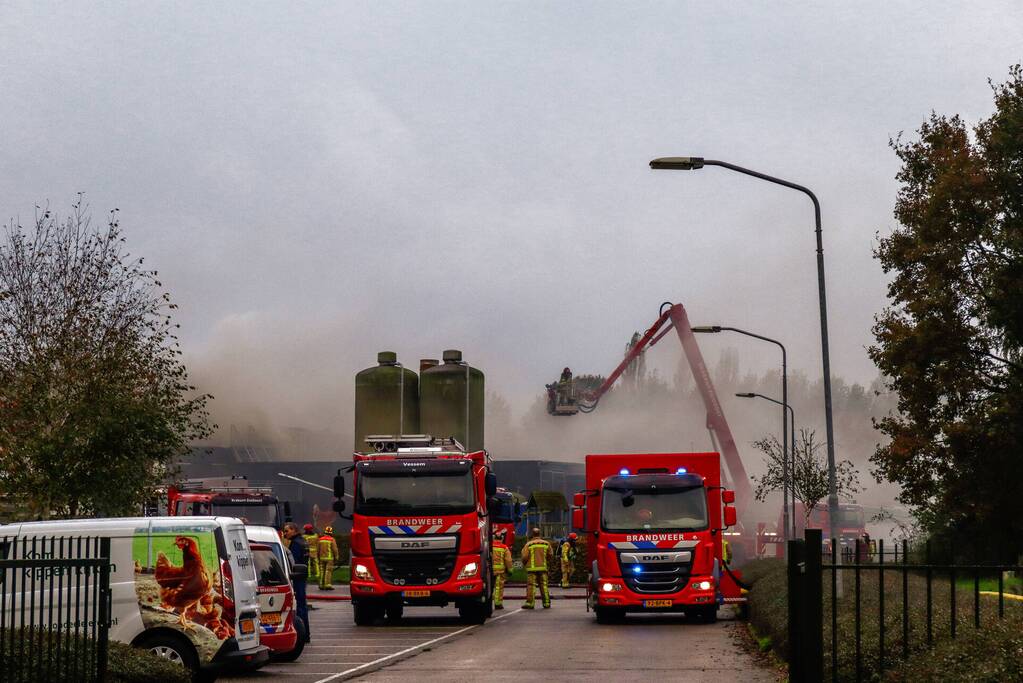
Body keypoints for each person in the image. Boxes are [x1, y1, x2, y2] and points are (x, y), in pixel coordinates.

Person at [282, 522, 311, 641]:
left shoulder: (295, 544)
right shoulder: (303, 541)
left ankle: (301, 634)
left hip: (297, 578)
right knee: (302, 605)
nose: (285, 534)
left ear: (294, 530)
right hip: (302, 576)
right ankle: (306, 634)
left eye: (287, 531)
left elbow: (293, 563)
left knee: (299, 607)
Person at [521, 527, 553, 609]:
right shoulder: (546, 544)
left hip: (531, 570)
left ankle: (530, 603)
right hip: (543, 569)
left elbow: (524, 557)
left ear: (532, 534)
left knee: (531, 586)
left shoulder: (529, 544)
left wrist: (525, 564)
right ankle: (546, 603)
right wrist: (545, 561)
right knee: (544, 586)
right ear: (540, 534)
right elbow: (550, 555)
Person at [491, 529, 512, 609]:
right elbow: (508, 560)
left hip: (490, 571)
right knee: (499, 588)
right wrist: (510, 570)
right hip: (500, 572)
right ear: (502, 538)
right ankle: (498, 603)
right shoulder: (504, 548)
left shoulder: (490, 546)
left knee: (490, 588)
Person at [317, 526, 340, 591]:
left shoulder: (320, 539)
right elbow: (335, 549)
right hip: (330, 558)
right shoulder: (332, 539)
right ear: (331, 533)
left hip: (321, 558)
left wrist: (318, 557)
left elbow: (318, 550)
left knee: (322, 571)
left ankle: (321, 584)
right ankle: (327, 585)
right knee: (328, 571)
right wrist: (336, 557)